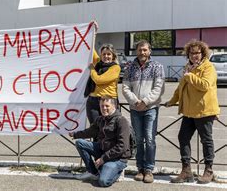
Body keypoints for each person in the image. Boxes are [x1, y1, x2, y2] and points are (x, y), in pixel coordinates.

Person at [166, 40, 220, 184]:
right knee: (183, 137)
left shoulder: (208, 67)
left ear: (203, 53)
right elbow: (181, 87)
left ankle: (208, 170)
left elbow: (205, 85)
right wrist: (172, 101)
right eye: (191, 53)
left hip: (204, 111)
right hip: (189, 111)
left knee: (206, 140)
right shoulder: (188, 67)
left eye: (197, 52)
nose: (194, 55)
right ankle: (186, 171)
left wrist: (189, 76)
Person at [121, 40, 165, 183]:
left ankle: (149, 170)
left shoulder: (157, 66)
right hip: (135, 109)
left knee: (150, 139)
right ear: (136, 51)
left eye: (145, 50)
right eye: (140, 50)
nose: (142, 52)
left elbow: (159, 88)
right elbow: (125, 87)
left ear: (150, 51)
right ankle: (140, 168)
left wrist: (145, 102)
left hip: (150, 108)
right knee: (138, 140)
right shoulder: (130, 67)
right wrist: (135, 102)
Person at [69, 97, 130, 187]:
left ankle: (118, 171)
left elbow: (122, 146)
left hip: (118, 157)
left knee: (103, 182)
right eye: (102, 106)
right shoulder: (100, 119)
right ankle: (93, 172)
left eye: (107, 106)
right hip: (103, 150)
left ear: (114, 106)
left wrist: (103, 159)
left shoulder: (121, 121)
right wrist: (75, 134)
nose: (104, 108)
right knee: (80, 143)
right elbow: (90, 132)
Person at [85, 44, 121, 125]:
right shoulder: (98, 63)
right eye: (104, 54)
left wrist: (92, 70)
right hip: (93, 101)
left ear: (113, 56)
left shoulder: (115, 68)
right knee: (95, 128)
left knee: (109, 129)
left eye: (109, 54)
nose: (106, 56)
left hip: (109, 100)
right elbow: (90, 48)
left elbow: (99, 80)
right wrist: (92, 33)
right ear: (101, 56)